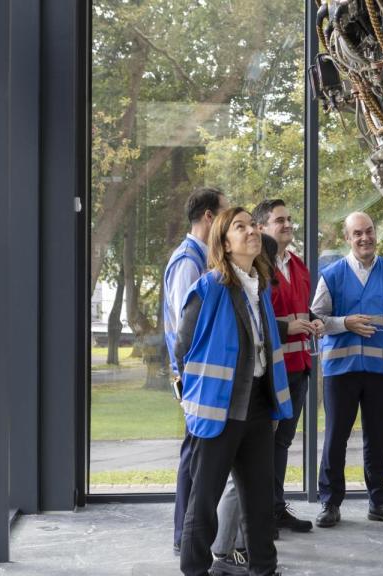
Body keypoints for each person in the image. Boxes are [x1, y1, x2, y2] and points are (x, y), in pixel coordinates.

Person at [174, 207, 293, 576]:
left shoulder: (259, 287)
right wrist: (197, 398)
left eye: (254, 226)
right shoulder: (209, 287)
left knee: (259, 499)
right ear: (224, 244)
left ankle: (263, 567)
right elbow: (183, 348)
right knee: (204, 499)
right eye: (240, 227)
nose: (252, 232)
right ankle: (194, 569)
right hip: (218, 411)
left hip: (257, 405)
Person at [310, 211, 383, 528]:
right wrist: (345, 323)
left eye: (368, 231)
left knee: (378, 438)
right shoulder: (332, 275)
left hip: (381, 368)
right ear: (347, 239)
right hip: (341, 370)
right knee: (335, 438)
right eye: (357, 233)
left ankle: (380, 502)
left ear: (375, 234)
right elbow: (316, 321)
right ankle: (330, 503)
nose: (364, 238)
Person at [163, 188, 244, 563]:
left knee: (195, 456)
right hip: (196, 379)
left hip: (200, 377)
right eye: (226, 214)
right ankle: (186, 537)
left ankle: (191, 536)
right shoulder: (188, 262)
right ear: (210, 218)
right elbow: (186, 328)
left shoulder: (202, 258)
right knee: (194, 459)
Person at [254, 199, 322, 533]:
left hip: (300, 367)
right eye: (279, 220)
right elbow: (255, 318)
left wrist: (314, 321)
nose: (288, 224)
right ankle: (261, 515)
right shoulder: (256, 269)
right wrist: (287, 328)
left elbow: (302, 311)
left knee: (282, 443)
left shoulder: (298, 265)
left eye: (290, 219)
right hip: (270, 371)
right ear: (262, 227)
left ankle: (276, 509)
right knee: (265, 444)